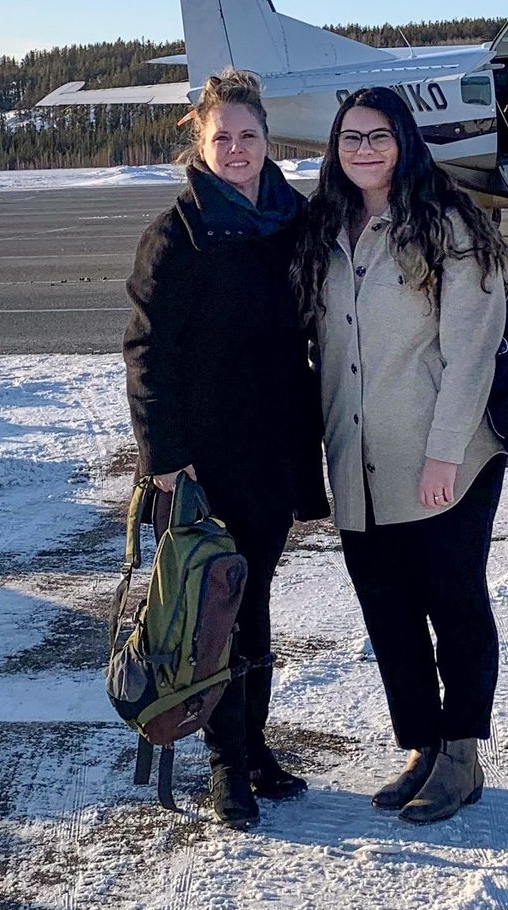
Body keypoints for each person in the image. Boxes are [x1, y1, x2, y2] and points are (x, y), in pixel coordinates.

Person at [293, 86, 508, 825]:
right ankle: (422, 743)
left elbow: (472, 350)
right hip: (359, 460)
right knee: (388, 611)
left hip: (443, 457)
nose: (363, 150)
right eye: (350, 138)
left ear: (404, 139)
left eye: (377, 136)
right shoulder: (326, 226)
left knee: (454, 605)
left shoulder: (448, 223)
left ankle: (461, 754)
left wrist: (445, 452)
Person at [122, 69, 329, 829]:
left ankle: (256, 747)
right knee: (212, 613)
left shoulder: (291, 220)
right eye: (222, 137)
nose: (236, 149)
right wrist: (166, 457)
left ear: (268, 139)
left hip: (271, 452)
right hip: (201, 463)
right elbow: (146, 350)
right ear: (201, 143)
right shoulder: (177, 233)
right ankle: (223, 766)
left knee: (257, 603)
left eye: (248, 136)